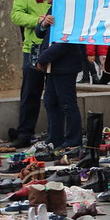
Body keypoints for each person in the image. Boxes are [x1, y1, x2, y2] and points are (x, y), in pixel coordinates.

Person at [10, 0, 55, 148]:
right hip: (33, 48)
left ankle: (56, 134)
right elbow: (16, 15)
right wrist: (36, 20)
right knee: (29, 93)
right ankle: (24, 134)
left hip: (56, 49)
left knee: (56, 95)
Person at [34, 10, 82, 148]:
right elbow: (39, 33)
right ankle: (55, 138)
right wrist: (43, 24)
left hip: (65, 66)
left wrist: (43, 58)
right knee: (51, 102)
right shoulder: (53, 8)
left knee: (68, 103)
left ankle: (73, 140)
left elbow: (65, 42)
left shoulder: (69, 11)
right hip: (52, 66)